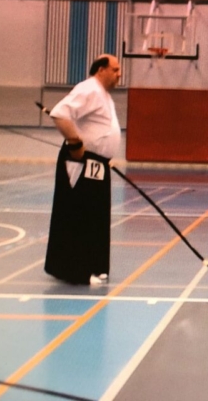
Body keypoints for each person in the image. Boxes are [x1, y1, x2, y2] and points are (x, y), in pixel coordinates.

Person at [44, 54, 122, 286]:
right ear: (101, 70)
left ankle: (95, 265)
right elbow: (60, 113)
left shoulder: (104, 95)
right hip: (81, 161)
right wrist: (75, 143)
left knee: (96, 215)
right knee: (79, 214)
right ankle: (75, 271)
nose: (119, 74)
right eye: (115, 70)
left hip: (97, 164)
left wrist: (105, 155)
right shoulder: (89, 89)